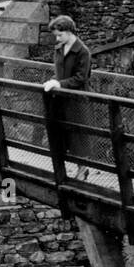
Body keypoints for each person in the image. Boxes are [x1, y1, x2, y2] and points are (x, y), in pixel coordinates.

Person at [42, 15, 93, 173]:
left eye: (60, 35)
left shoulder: (83, 51)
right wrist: (53, 80)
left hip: (76, 99)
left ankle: (82, 169)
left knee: (78, 136)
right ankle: (60, 170)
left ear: (70, 31)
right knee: (60, 133)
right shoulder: (59, 48)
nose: (57, 38)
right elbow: (58, 71)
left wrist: (59, 83)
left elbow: (80, 78)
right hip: (60, 98)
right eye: (56, 35)